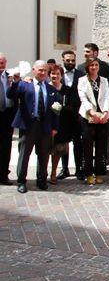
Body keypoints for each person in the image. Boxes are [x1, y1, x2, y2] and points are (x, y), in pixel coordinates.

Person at [8, 60, 60, 193]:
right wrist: (16, 81)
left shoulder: (51, 89)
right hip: (29, 125)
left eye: (45, 70)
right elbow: (11, 94)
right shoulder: (25, 85)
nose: (43, 73)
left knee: (43, 154)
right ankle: (21, 181)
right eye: (40, 70)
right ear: (34, 70)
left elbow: (55, 111)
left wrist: (55, 127)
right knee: (25, 154)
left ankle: (42, 180)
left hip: (45, 126)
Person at [77, 57, 109, 184]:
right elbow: (83, 98)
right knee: (87, 145)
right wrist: (92, 112)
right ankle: (88, 173)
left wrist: (106, 112)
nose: (94, 67)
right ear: (87, 67)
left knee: (101, 145)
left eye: (96, 65)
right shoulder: (82, 81)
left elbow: (107, 97)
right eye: (91, 65)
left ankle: (99, 172)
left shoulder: (104, 81)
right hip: (87, 116)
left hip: (102, 116)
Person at [48, 65, 77, 184]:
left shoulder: (67, 90)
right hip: (47, 124)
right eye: (53, 74)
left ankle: (53, 172)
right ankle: (42, 173)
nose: (55, 76)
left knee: (58, 150)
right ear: (49, 75)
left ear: (61, 75)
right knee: (45, 150)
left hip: (62, 125)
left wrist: (61, 108)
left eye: (57, 74)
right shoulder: (46, 88)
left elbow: (73, 107)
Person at [57, 50, 84, 180]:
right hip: (62, 114)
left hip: (77, 114)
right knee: (63, 142)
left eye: (73, 60)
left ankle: (79, 169)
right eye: (68, 60)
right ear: (63, 60)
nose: (71, 63)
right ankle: (64, 168)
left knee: (78, 142)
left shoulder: (81, 75)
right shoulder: (58, 74)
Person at [0, 52, 16, 185]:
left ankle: (3, 174)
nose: (1, 64)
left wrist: (16, 82)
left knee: (6, 145)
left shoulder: (9, 76)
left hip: (7, 114)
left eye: (3, 62)